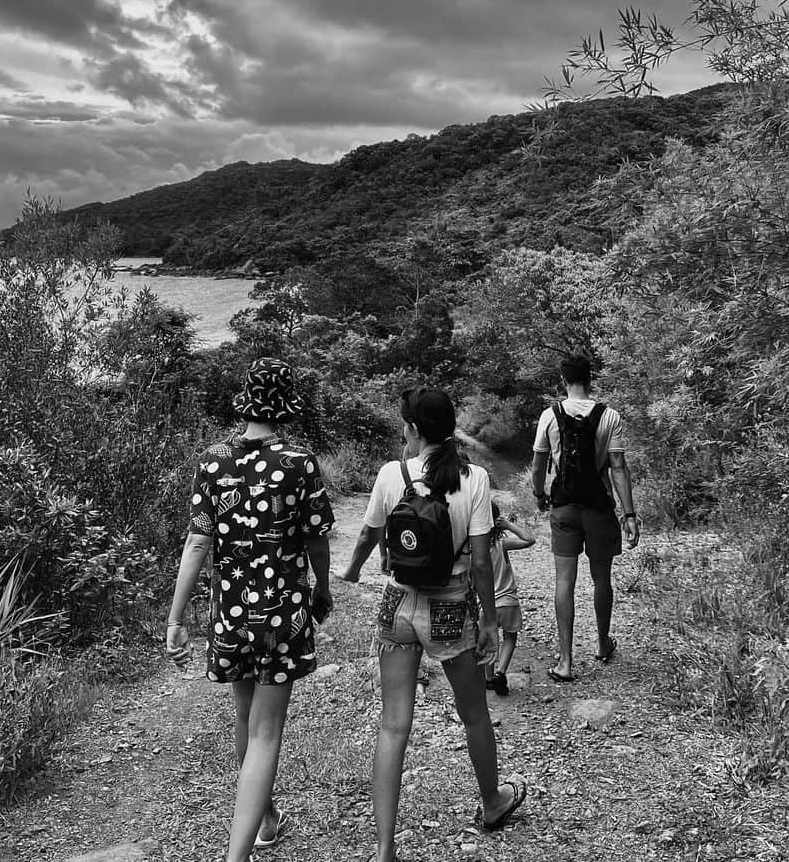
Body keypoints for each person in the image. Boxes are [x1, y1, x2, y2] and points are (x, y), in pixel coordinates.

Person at [340, 387, 527, 861]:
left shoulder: (391, 474)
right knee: (474, 714)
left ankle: (384, 849)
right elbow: (483, 563)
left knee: (392, 726)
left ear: (414, 430)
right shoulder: (476, 478)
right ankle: (492, 802)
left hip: (397, 605)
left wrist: (352, 571)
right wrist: (487, 618)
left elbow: (368, 534)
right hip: (450, 607)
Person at [165, 358, 334, 862]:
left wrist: (176, 618)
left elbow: (197, 542)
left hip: (230, 613)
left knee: (245, 720)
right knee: (266, 732)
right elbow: (316, 539)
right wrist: (321, 589)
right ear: (285, 404)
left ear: (246, 400)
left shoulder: (212, 461)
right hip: (281, 614)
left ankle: (265, 818)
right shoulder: (299, 462)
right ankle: (237, 854)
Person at [530, 354, 640, 682]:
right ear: (590, 380)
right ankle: (604, 644)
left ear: (563, 380)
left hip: (564, 506)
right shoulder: (610, 417)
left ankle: (565, 662)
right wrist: (629, 513)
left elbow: (538, 465)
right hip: (599, 507)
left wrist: (539, 494)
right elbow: (618, 468)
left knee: (565, 582)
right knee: (601, 578)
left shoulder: (550, 416)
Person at [484, 498, 535, 696]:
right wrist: (508, 524)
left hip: (485, 605)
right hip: (507, 602)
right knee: (510, 637)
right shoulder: (501, 543)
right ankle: (501, 671)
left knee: (488, 640)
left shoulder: (472, 548)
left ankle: (489, 678)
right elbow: (529, 539)